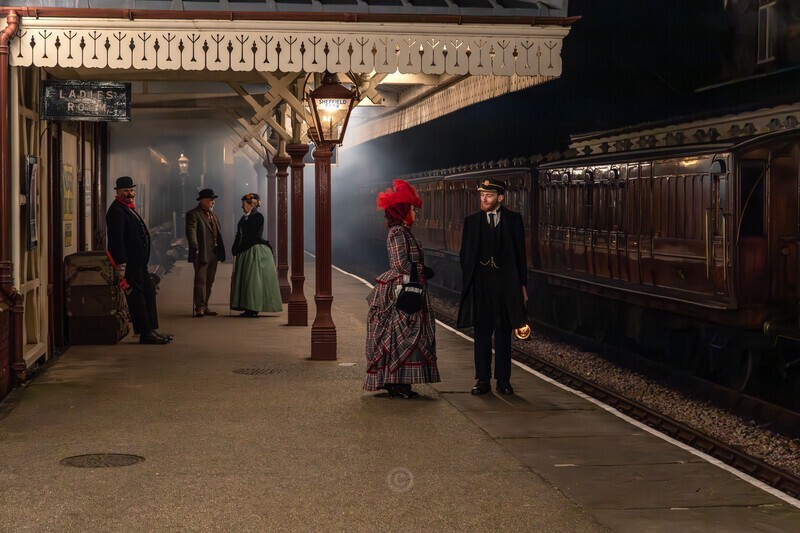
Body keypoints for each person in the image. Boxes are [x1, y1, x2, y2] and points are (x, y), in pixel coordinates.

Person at [364, 179, 440, 398]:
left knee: (404, 336)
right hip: (402, 289)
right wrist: (422, 271)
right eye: (413, 209)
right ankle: (396, 382)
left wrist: (420, 272)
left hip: (410, 285)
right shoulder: (398, 232)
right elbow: (399, 264)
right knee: (400, 335)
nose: (416, 213)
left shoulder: (404, 232)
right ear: (404, 210)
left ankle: (400, 382)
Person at [457, 178, 528, 395]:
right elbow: (464, 255)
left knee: (504, 335)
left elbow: (520, 256)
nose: (483, 199)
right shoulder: (471, 222)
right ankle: (482, 380)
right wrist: (474, 279)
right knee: (482, 335)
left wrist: (522, 286)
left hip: (506, 287)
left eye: (488, 195)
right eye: (481, 195)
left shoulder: (514, 220)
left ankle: (503, 381)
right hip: (481, 286)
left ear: (500, 197)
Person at [106, 176, 172, 345]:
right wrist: (121, 264)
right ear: (118, 192)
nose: (130, 193)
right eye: (126, 191)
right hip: (129, 264)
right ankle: (145, 333)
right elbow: (116, 241)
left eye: (132, 190)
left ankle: (151, 329)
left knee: (149, 291)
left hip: (139, 263)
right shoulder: (116, 211)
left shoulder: (127, 209)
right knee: (137, 298)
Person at [230, 193, 282, 317]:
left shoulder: (258, 217)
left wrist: (240, 247)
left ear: (252, 205)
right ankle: (248, 306)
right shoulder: (244, 218)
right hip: (245, 250)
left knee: (253, 279)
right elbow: (239, 235)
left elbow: (252, 235)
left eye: (244, 205)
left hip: (254, 250)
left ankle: (253, 307)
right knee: (247, 279)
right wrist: (235, 247)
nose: (242, 207)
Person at [185, 188, 226, 318]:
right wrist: (194, 245)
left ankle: (205, 305)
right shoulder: (193, 214)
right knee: (200, 280)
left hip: (214, 253)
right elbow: (191, 230)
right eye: (210, 200)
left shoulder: (214, 215)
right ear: (202, 201)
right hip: (201, 252)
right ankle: (199, 307)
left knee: (210, 280)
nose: (213, 202)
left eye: (213, 200)